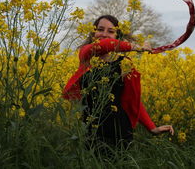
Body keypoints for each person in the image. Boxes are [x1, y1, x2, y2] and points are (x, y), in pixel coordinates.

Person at [62, 15, 174, 148]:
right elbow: (104, 45)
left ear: (117, 36)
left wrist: (152, 128)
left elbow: (132, 101)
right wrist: (136, 46)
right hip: (91, 133)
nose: (104, 34)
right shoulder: (86, 55)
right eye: (100, 29)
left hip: (121, 133)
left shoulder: (124, 65)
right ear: (93, 33)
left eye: (111, 31)